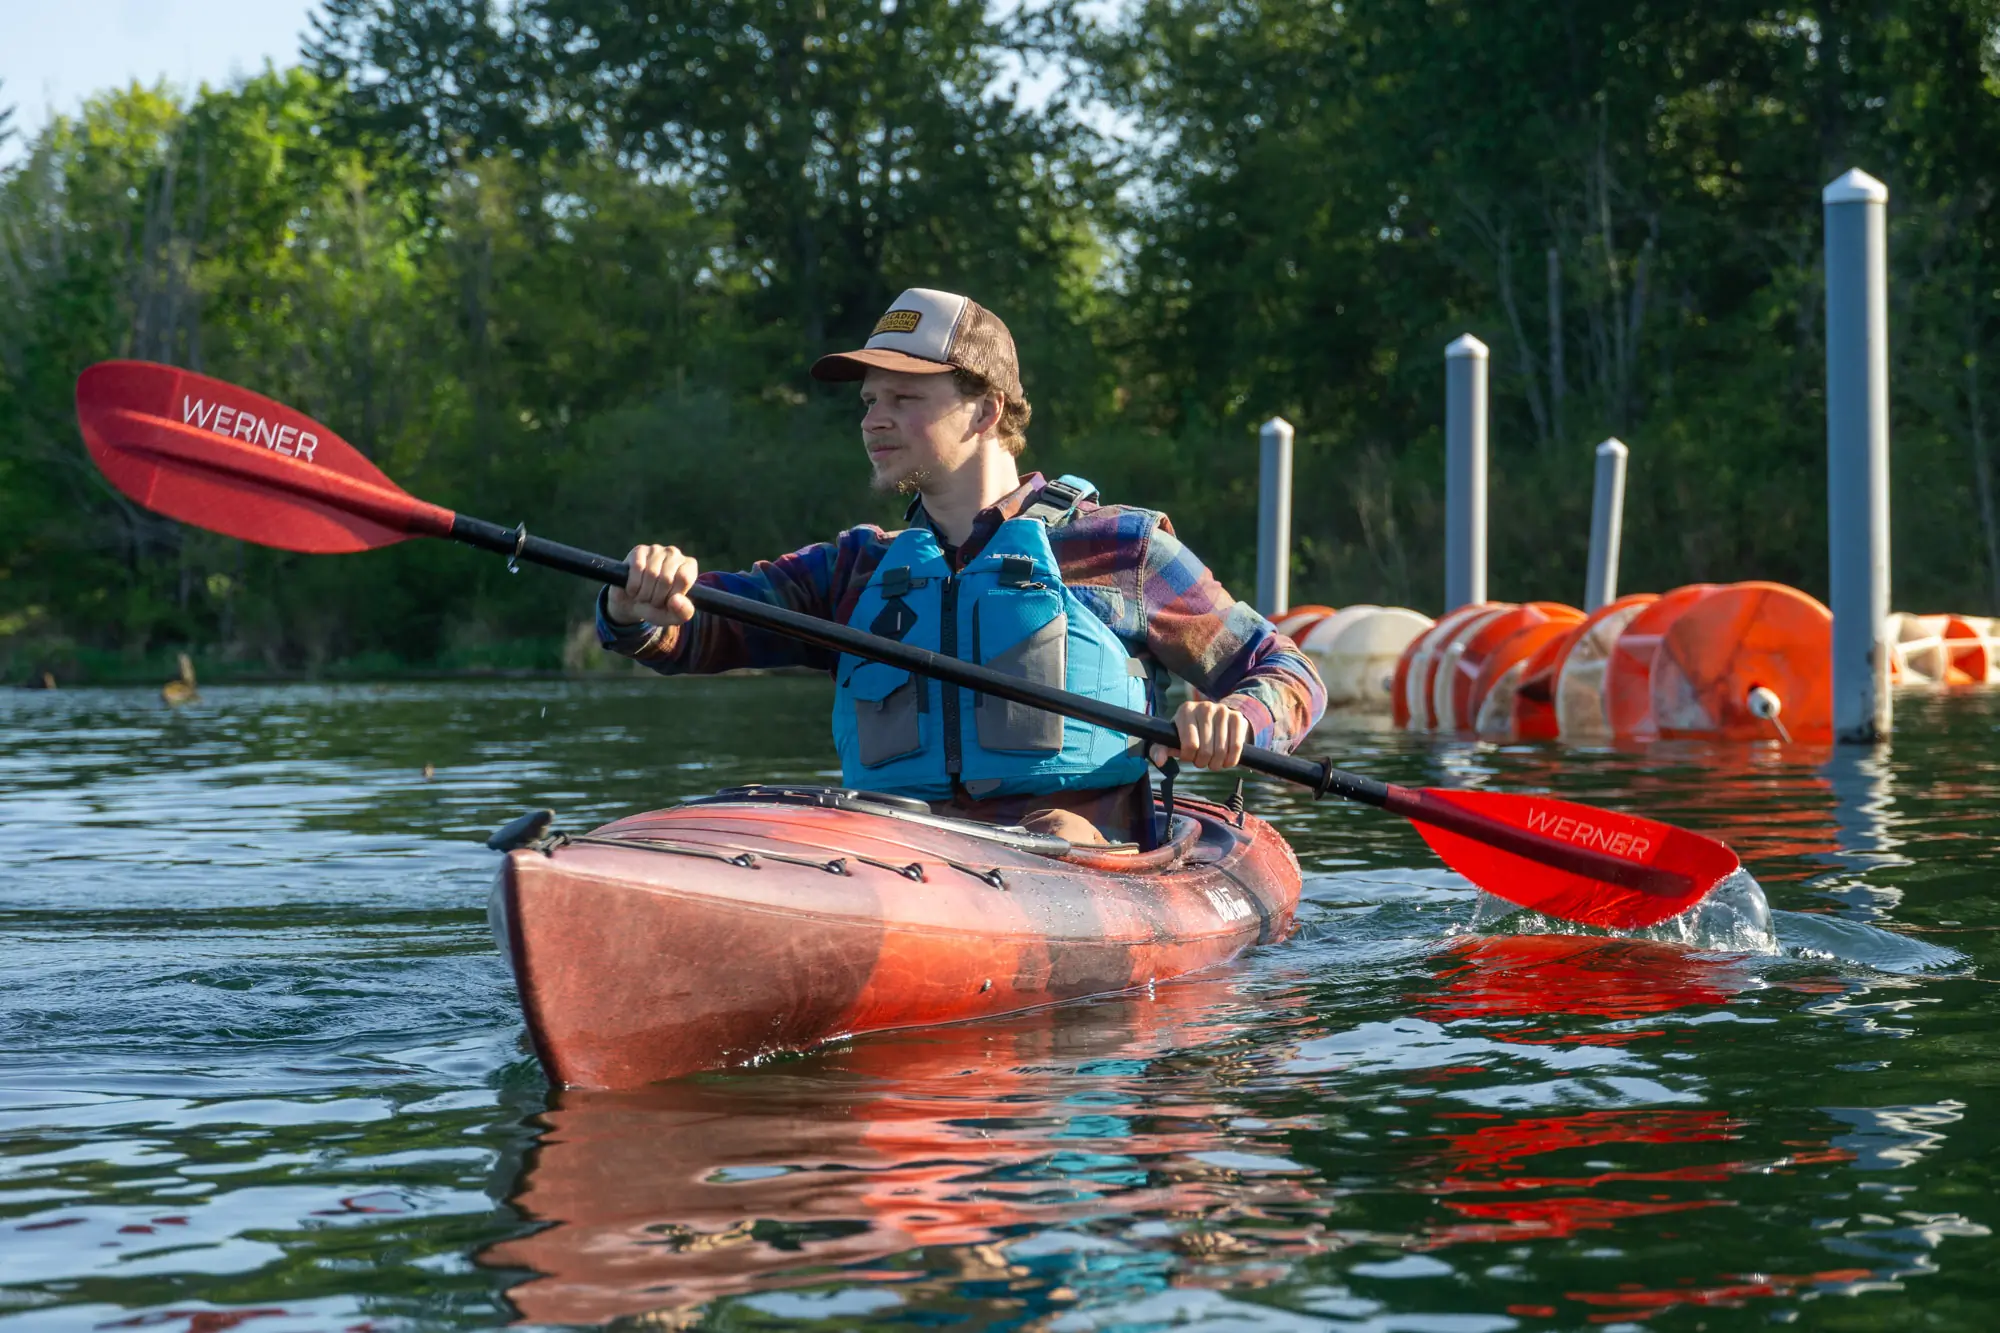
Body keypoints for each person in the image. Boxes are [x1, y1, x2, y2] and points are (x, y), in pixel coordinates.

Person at [599, 287, 1325, 845]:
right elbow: (700, 626)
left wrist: (1239, 719)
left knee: (1058, 835)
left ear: (984, 412)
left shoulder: (1118, 549)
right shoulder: (853, 570)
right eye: (870, 400)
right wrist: (637, 603)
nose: (872, 419)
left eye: (905, 398)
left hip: (1077, 858)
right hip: (901, 856)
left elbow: (1289, 671)